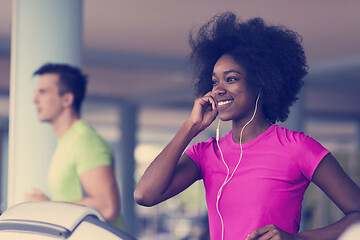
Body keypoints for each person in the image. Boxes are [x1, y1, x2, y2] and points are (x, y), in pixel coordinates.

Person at [134, 12, 360, 240]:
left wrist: (297, 238)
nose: (218, 89)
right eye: (214, 82)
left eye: (231, 79)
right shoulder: (207, 154)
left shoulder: (297, 147)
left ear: (261, 82)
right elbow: (145, 195)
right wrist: (190, 127)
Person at [25, 63, 123, 229]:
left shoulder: (85, 140)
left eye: (43, 92)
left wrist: (48, 207)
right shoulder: (68, 141)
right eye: (36, 92)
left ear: (67, 99)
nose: (34, 100)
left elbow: (107, 207)